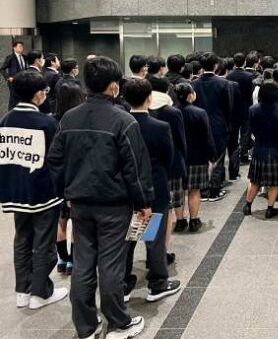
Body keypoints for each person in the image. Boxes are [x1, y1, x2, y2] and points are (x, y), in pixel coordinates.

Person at [48, 56, 154, 339]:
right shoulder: (124, 120)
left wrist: (65, 193)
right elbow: (135, 168)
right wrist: (144, 203)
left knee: (83, 263)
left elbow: (55, 160)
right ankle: (118, 323)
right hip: (114, 205)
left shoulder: (69, 118)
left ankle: (86, 326)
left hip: (79, 203)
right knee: (111, 265)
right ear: (113, 86)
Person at [0, 71, 67, 310]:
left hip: (15, 192)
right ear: (38, 94)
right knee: (44, 243)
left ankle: (23, 290)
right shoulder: (46, 123)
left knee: (22, 239)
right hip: (43, 192)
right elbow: (58, 160)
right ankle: (41, 292)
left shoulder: (6, 120)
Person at [124, 78, 181, 302]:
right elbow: (169, 157)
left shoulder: (121, 124)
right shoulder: (160, 127)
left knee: (130, 237)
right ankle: (157, 284)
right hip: (155, 187)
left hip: (128, 189)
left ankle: (124, 284)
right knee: (154, 237)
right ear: (149, 98)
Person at [147, 75, 187, 262]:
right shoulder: (172, 112)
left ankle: (151, 250)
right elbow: (180, 141)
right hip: (171, 166)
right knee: (166, 211)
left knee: (149, 213)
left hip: (146, 170)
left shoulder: (139, 112)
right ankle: (162, 251)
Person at [243, 82, 278, 219]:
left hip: (260, 148)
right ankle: (270, 208)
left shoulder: (253, 109)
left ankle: (248, 205)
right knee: (274, 182)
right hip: (277, 149)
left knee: (255, 180)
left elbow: (252, 128)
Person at [173, 83, 216, 233]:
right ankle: (194, 220)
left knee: (178, 190)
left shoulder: (171, 112)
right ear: (191, 95)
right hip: (197, 157)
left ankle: (179, 221)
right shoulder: (199, 113)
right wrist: (212, 155)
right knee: (194, 190)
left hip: (177, 158)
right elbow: (207, 136)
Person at [54, 83, 86, 277]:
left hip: (57, 181)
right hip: (74, 179)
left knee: (61, 222)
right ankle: (73, 261)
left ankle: (61, 260)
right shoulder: (78, 121)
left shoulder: (53, 121)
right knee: (76, 223)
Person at [193, 52, 232, 202]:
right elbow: (228, 107)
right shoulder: (224, 83)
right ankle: (215, 190)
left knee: (202, 157)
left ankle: (203, 190)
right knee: (218, 158)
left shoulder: (194, 83)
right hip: (218, 124)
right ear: (216, 65)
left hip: (199, 124)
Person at [226, 52, 256, 165]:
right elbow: (250, 92)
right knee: (245, 132)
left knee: (234, 132)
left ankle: (233, 155)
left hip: (233, 107)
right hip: (246, 106)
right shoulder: (248, 76)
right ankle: (244, 155)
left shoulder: (229, 76)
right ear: (244, 62)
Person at [1, 40, 26, 110]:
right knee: (13, 100)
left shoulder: (24, 57)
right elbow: (2, 69)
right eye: (20, 46)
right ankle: (10, 114)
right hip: (13, 82)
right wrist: (8, 77)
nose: (22, 48)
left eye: (22, 46)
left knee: (22, 100)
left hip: (23, 82)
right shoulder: (10, 57)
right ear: (14, 48)